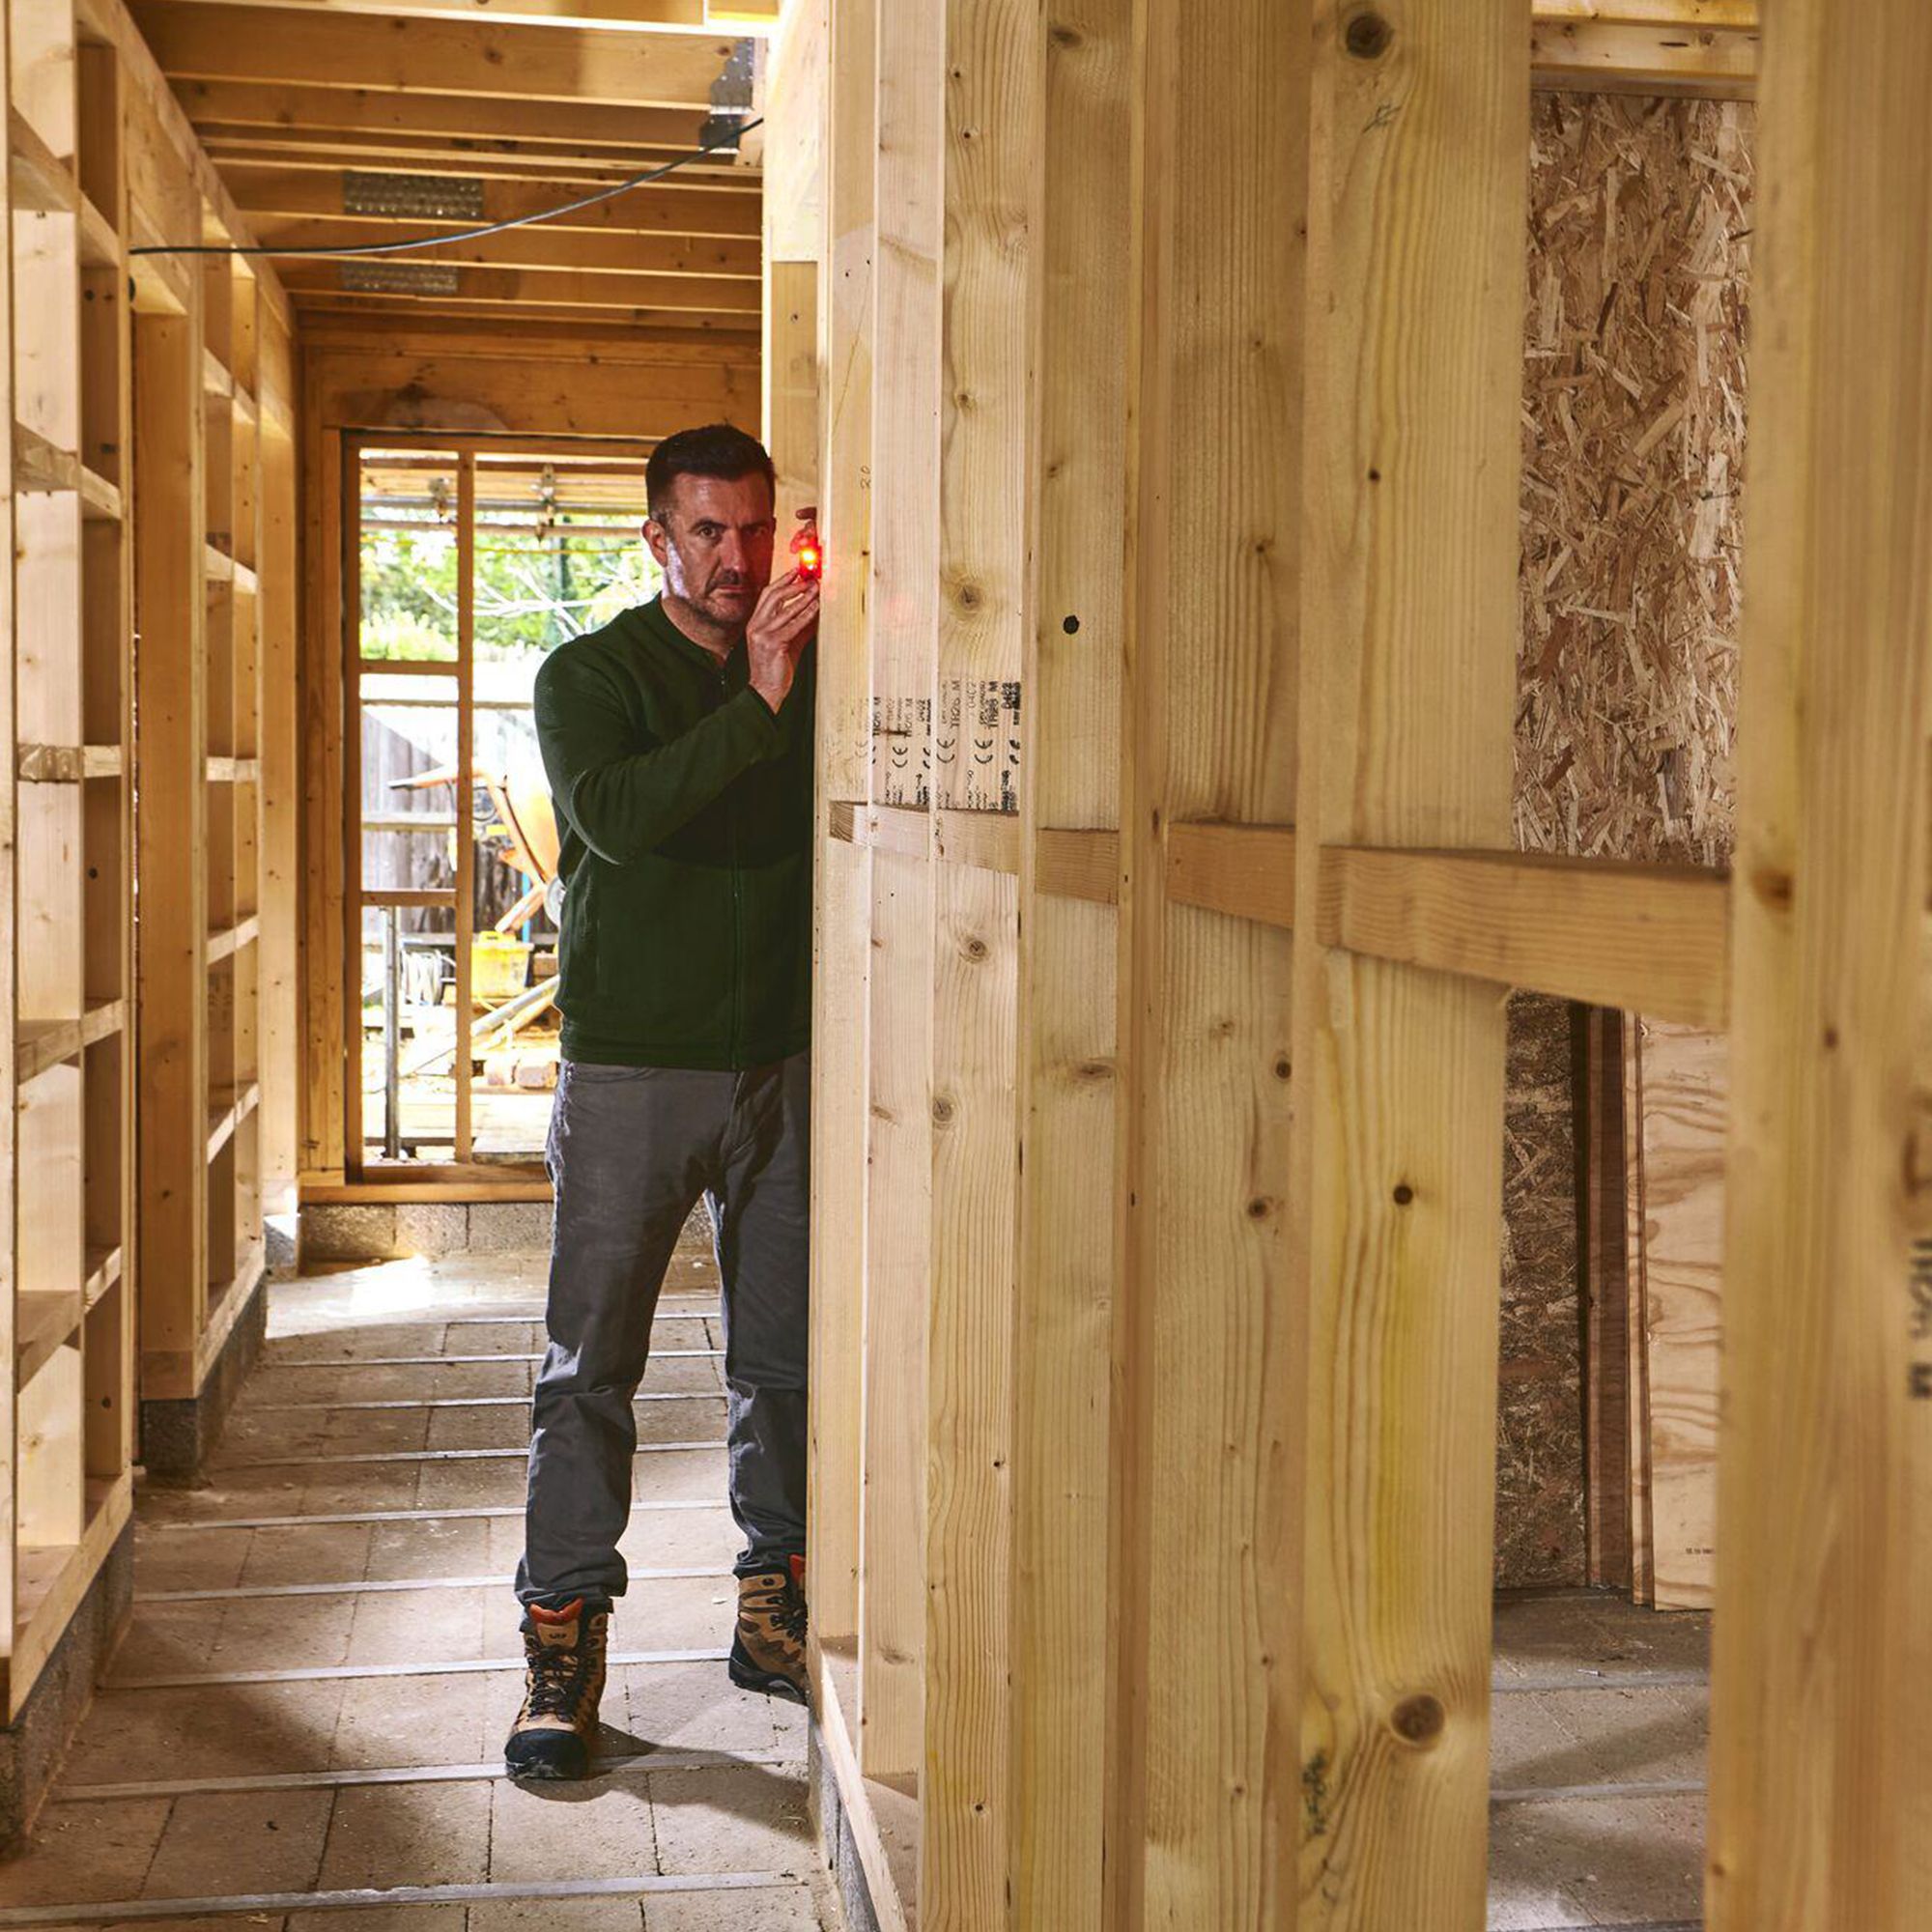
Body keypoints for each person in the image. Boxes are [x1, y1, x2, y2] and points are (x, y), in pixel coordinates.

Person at [504, 423, 819, 1781]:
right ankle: (561, 1647)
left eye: (753, 528)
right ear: (656, 539)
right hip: (632, 1067)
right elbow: (618, 818)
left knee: (786, 1361)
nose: (737, 556)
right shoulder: (589, 675)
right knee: (590, 1371)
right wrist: (758, 707)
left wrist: (784, 687)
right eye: (707, 530)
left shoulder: (807, 664)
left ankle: (774, 1607)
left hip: (786, 1065)